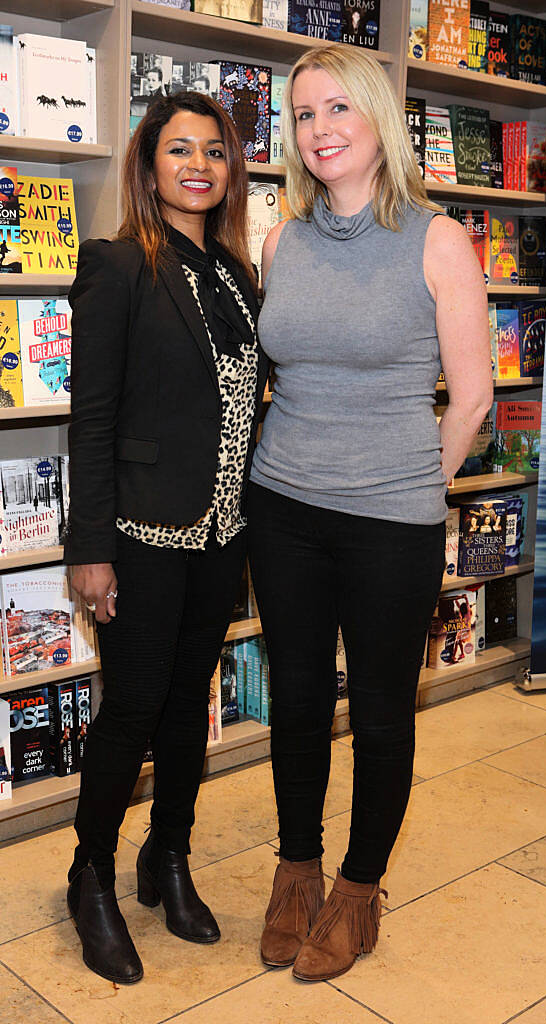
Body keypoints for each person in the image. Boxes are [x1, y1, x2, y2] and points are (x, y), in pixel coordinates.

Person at [247, 44, 493, 983]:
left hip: (391, 519)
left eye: (337, 109)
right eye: (303, 115)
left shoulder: (434, 238)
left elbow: (470, 397)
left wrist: (408, 487)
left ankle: (358, 891)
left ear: (376, 120)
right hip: (282, 508)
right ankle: (295, 871)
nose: (319, 131)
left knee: (383, 712)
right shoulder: (283, 240)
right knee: (299, 701)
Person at [65, 90, 268, 985]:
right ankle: (91, 877)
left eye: (214, 151)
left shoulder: (236, 275)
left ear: (232, 170)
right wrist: (89, 548)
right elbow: (93, 418)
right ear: (149, 165)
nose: (198, 165)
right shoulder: (116, 264)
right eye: (178, 149)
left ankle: (168, 859)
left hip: (222, 534)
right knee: (133, 710)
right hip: (142, 536)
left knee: (190, 709)